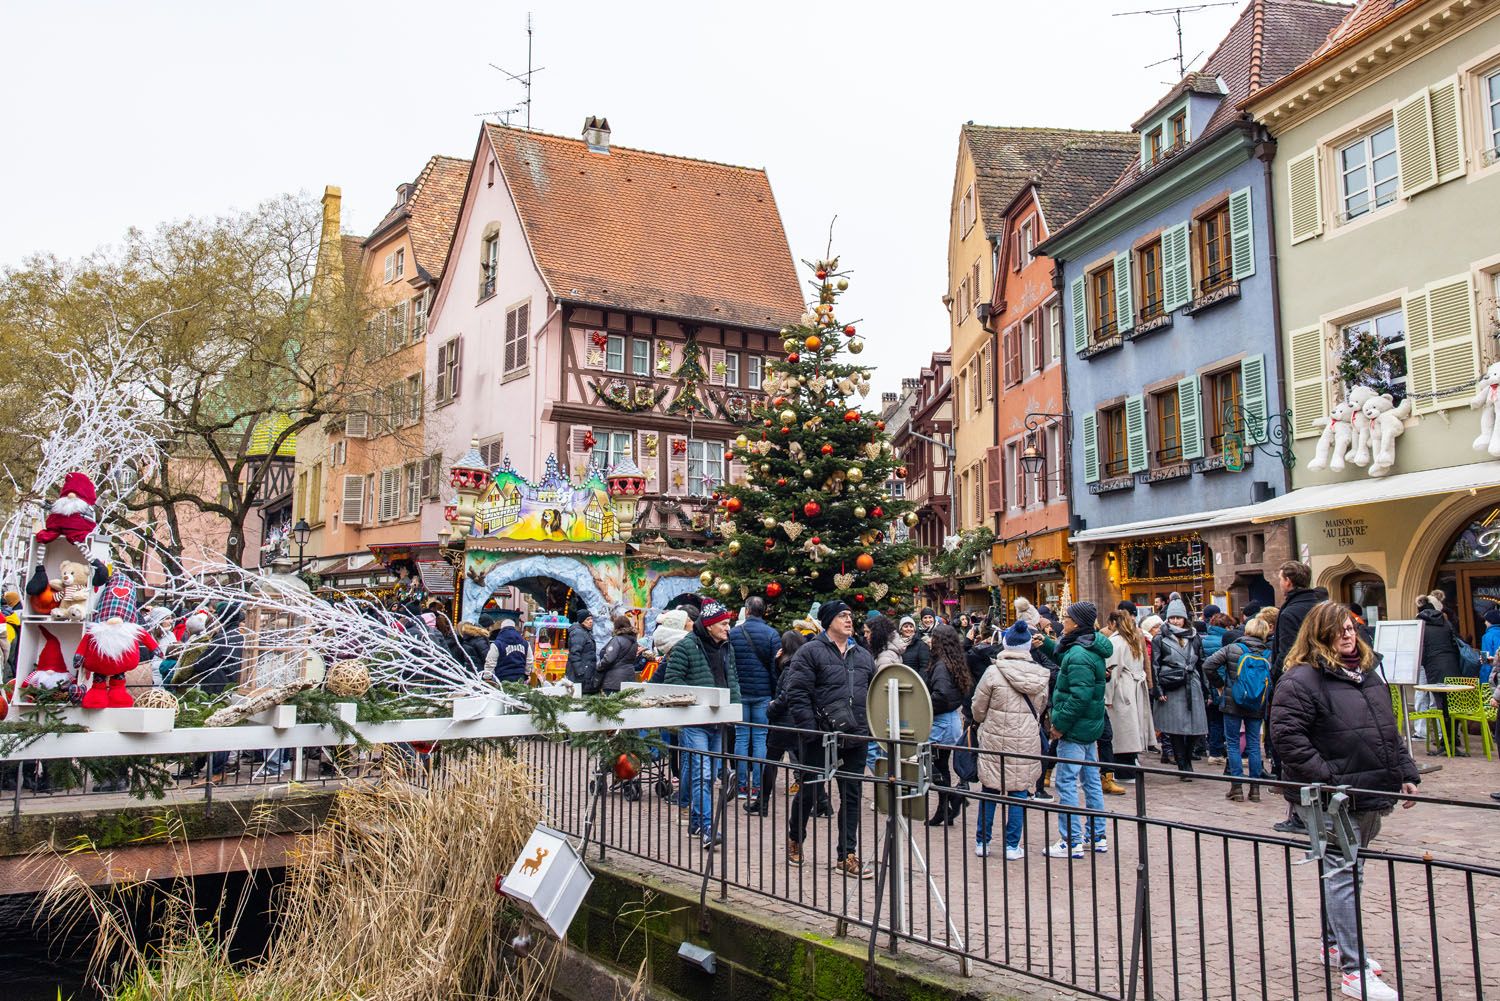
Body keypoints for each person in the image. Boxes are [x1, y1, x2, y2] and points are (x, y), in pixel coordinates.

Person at [1270, 601, 1418, 1001]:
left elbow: (1387, 730)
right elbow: (1287, 738)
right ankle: (1353, 970)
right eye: (1339, 629)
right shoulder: (1301, 679)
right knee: (1344, 873)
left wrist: (1405, 771)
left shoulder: (1368, 675)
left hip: (1370, 790)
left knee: (1347, 873)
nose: (1348, 635)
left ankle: (1334, 945)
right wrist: (1330, 778)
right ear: (1319, 633)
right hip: (1331, 797)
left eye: (1351, 627)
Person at [780, 600, 875, 878]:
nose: (849, 619)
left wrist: (867, 727)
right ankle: (795, 837)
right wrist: (811, 731)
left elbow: (872, 692)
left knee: (852, 796)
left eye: (850, 615)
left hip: (855, 736)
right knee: (809, 792)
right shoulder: (810, 652)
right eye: (842, 615)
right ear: (828, 620)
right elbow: (797, 694)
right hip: (820, 737)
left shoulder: (863, 655)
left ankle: (846, 855)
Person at [661, 599, 741, 848]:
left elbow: (733, 680)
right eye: (724, 624)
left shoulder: (727, 647)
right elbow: (672, 680)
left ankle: (696, 823)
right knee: (703, 775)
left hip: (718, 721)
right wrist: (699, 699)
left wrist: (733, 711)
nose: (728, 628)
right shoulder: (686, 646)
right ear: (710, 625)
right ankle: (708, 828)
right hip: (695, 720)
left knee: (709, 774)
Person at [970, 622, 1049, 860]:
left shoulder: (993, 672)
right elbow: (1041, 705)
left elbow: (978, 707)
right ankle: (1012, 845)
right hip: (1025, 738)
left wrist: (982, 720)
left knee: (990, 788)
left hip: (995, 737)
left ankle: (983, 842)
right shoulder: (1039, 673)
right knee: (1019, 791)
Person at [1039, 601, 1111, 858]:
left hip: (1076, 728)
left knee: (1067, 781)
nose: (1063, 620)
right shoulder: (1087, 646)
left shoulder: (1080, 653)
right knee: (1091, 780)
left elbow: (1079, 696)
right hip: (1090, 726)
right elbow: (1067, 658)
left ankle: (1071, 839)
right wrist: (1046, 644)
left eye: (1067, 617)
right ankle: (1097, 834)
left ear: (1077, 623)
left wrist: (1059, 724)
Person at [752, 630, 831, 817]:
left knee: (772, 762)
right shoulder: (800, 664)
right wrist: (776, 664)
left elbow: (786, 694)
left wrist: (772, 709)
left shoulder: (791, 667)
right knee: (807, 766)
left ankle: (762, 803)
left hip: (785, 723)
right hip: (798, 722)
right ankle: (822, 803)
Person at [1205, 616, 1274, 802]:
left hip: (1232, 701)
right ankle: (1255, 788)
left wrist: (1220, 686)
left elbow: (1208, 665)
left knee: (1233, 743)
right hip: (1257, 703)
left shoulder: (1233, 648)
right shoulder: (1268, 653)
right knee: (1254, 745)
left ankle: (1236, 787)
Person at [729, 596, 780, 801]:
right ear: (763, 612)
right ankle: (758, 787)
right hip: (762, 693)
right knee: (760, 738)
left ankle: (741, 787)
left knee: (741, 737)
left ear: (747, 611)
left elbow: (729, 664)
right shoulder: (772, 634)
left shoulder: (733, 634)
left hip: (741, 692)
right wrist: (775, 693)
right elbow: (775, 667)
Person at [1151, 598, 1207, 780]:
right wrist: (1158, 690)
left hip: (1193, 683)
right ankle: (1182, 764)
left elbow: (1201, 663)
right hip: (1172, 684)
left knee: (1196, 726)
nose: (1175, 621)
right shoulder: (1160, 638)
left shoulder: (1194, 636)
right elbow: (1155, 665)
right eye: (1172, 617)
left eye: (1178, 617)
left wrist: (1206, 689)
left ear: (1185, 618)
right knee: (1174, 727)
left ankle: (1188, 757)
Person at [923, 624, 974, 826]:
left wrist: (924, 707)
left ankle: (951, 798)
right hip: (950, 718)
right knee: (940, 764)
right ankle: (944, 807)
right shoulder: (954, 662)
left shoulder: (942, 665)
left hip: (941, 720)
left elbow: (942, 695)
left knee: (927, 763)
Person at [1103, 610, 1153, 786]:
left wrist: (1107, 697)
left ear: (1112, 623)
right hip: (1134, 688)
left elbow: (1112, 670)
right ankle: (1129, 765)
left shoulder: (1115, 642)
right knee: (1131, 729)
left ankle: (1123, 770)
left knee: (1122, 731)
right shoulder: (1133, 640)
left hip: (1122, 690)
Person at [485, 618, 530, 683]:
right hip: (520, 677)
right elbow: (529, 660)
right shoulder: (525, 643)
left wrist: (487, 677)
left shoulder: (497, 644)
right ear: (514, 628)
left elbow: (490, 661)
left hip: (502, 678)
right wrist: (526, 674)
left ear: (502, 628)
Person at [565, 607, 599, 692]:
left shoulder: (585, 632)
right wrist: (581, 672)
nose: (591, 621)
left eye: (591, 619)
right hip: (580, 676)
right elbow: (574, 654)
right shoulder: (578, 633)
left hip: (585, 673)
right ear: (581, 621)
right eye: (588, 619)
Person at [1480, 608, 1500, 684]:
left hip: (1494, 678)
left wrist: (1483, 682)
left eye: (1486, 620)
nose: (1485, 623)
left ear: (1490, 622)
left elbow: (1485, 660)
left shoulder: (1487, 637)